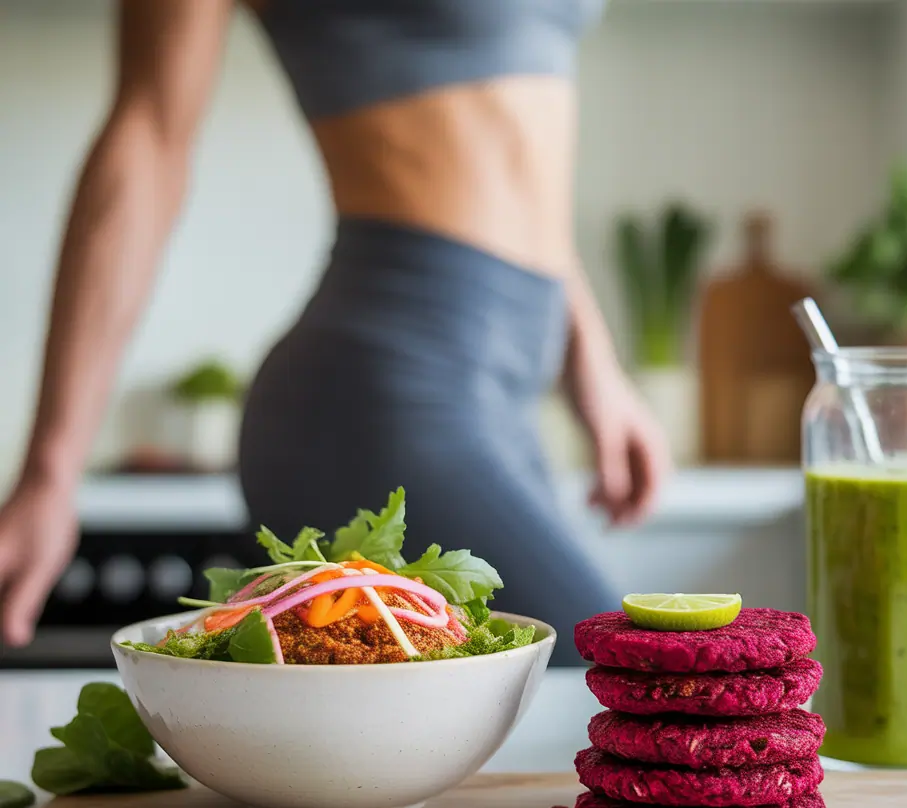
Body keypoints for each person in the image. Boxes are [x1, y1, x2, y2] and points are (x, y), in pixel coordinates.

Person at [0, 0, 668, 665]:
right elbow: (147, 138)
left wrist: (594, 364)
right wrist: (51, 474)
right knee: (636, 689)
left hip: (502, 393)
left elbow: (513, 151)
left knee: (523, 740)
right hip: (387, 397)